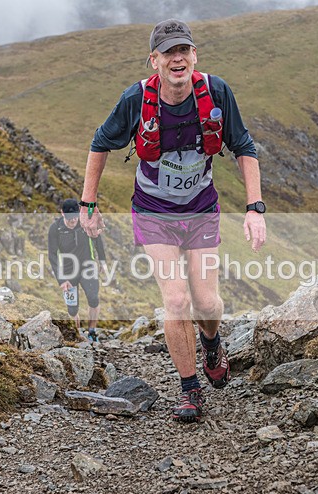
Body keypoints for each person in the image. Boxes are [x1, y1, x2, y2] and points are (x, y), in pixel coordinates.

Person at [78, 19, 267, 422]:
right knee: (177, 299)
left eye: (184, 50)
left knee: (206, 302)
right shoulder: (136, 100)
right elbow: (100, 142)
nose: (177, 58)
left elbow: (244, 146)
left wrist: (255, 208)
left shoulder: (216, 92)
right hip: (154, 212)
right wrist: (88, 204)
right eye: (168, 53)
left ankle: (212, 343)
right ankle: (189, 389)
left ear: (194, 56)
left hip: (201, 211)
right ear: (155, 61)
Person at [48, 198, 106, 342]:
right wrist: (61, 280)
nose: (73, 220)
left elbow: (97, 238)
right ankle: (78, 335)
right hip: (68, 272)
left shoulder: (85, 221)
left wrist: (103, 260)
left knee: (93, 299)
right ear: (62, 213)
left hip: (88, 267)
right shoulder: (55, 228)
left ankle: (92, 332)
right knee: (72, 309)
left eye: (75, 216)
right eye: (69, 218)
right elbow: (52, 256)